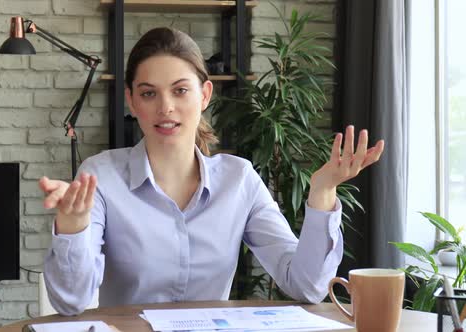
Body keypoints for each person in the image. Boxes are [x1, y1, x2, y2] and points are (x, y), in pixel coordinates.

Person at [39, 27, 385, 316]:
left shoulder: (239, 179)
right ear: (131, 101)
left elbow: (307, 286)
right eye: (149, 93)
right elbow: (72, 303)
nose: (166, 107)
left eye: (180, 90)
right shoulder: (100, 177)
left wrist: (322, 193)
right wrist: (71, 228)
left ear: (204, 94)